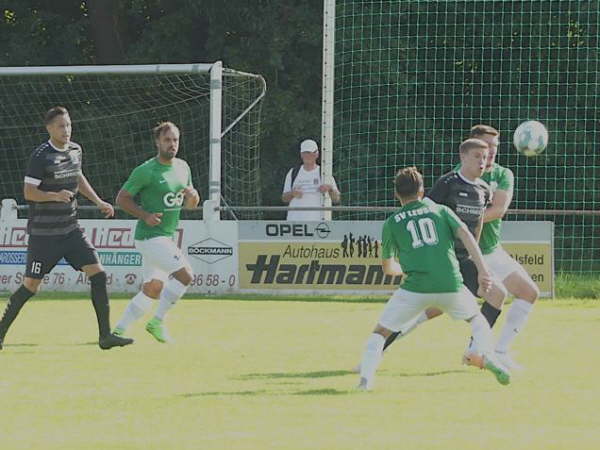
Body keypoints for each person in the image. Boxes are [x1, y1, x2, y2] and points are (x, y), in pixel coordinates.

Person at [356, 167, 509, 390]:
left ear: (397, 194)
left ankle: (365, 381)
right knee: (477, 321)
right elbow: (466, 235)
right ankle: (484, 354)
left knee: (380, 333)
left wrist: (403, 270)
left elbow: (388, 268)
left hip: (415, 288)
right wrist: (483, 269)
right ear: (422, 191)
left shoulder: (392, 222)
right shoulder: (441, 211)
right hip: (451, 284)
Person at [0, 106, 133, 350]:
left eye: (69, 125)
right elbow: (29, 193)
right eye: (61, 126)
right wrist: (54, 195)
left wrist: (98, 201)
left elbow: (78, 176)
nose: (67, 130)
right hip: (44, 236)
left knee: (99, 274)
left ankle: (105, 336)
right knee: (31, 285)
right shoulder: (40, 156)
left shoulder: (75, 150)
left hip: (71, 230)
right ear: (49, 128)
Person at [379, 138, 507, 357]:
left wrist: (481, 267)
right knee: (414, 312)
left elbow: (474, 230)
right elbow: (423, 211)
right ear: (463, 157)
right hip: (443, 259)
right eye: (477, 156)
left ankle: (474, 352)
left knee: (497, 294)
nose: (482, 162)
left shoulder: (484, 190)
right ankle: (377, 349)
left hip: (464, 260)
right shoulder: (447, 183)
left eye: (485, 158)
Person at [112, 121, 200, 343]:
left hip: (164, 236)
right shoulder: (146, 170)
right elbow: (121, 198)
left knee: (153, 288)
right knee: (186, 274)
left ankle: (119, 330)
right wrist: (145, 215)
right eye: (167, 140)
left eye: (175, 140)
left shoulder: (182, 167)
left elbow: (190, 206)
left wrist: (193, 196)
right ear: (157, 142)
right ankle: (157, 321)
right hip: (150, 236)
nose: (172, 144)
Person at [281, 139, 340, 221]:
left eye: (310, 153)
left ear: (317, 154)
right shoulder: (293, 172)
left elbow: (336, 199)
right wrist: (292, 194)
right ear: (301, 154)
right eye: (305, 153)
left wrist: (329, 189)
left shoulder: (324, 173)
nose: (307, 156)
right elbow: (284, 198)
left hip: (319, 221)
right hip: (295, 220)